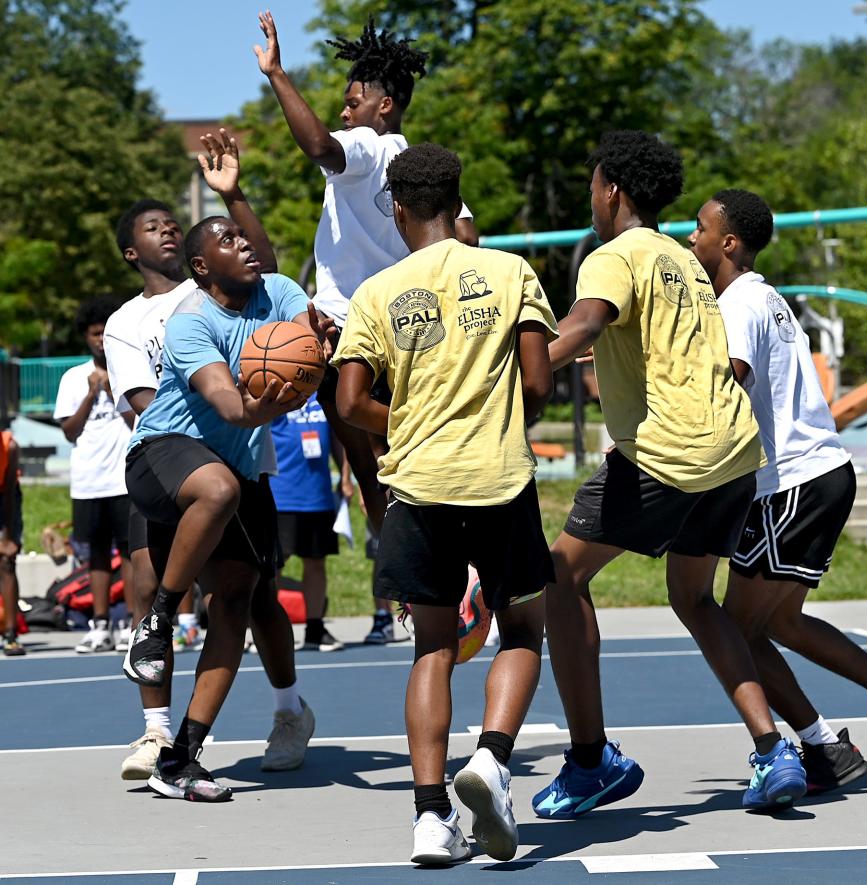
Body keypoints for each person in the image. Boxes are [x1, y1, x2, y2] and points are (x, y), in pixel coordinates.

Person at [535, 130, 806, 816]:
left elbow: (587, 324)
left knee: (558, 577)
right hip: (733, 455)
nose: (590, 197)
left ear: (613, 191)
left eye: (594, 185)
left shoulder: (613, 255)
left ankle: (591, 760)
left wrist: (510, 372)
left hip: (671, 455)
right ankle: (773, 749)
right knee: (694, 597)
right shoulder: (684, 264)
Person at [334, 143, 557, 864]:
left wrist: (409, 421)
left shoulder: (376, 292)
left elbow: (349, 401)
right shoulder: (509, 271)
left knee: (434, 647)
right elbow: (539, 383)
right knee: (522, 630)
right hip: (498, 479)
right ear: (457, 202)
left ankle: (431, 818)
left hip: (417, 488)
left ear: (396, 209)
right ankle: (492, 757)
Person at [689, 188, 867, 789]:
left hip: (792, 482)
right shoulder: (767, 299)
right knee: (781, 623)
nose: (691, 239)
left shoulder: (737, 307)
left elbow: (727, 386)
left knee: (735, 631)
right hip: (819, 476)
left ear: (728, 242)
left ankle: (823, 747)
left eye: (700, 228)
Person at [256, 12, 479, 643]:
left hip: (352, 327)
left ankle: (419, 576)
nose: (344, 112)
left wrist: (277, 75)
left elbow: (319, 147)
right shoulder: (420, 163)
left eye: (352, 102)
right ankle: (445, 570)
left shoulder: (366, 148)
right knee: (394, 459)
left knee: (367, 457)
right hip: (411, 327)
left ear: (384, 104)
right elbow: (466, 234)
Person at [105, 129, 315, 781]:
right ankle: (160, 622)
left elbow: (272, 258)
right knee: (217, 491)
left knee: (238, 601)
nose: (243, 243)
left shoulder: (274, 299)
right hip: (162, 458)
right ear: (201, 266)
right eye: (226, 239)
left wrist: (234, 193)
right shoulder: (192, 321)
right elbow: (230, 408)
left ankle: (181, 757)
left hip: (237, 469)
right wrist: (284, 398)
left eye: (243, 237)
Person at [54, 298, 134, 654]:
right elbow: (70, 431)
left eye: (105, 333)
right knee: (97, 554)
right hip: (90, 481)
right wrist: (91, 393)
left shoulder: (131, 372)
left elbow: (139, 422)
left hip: (127, 478)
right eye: (94, 334)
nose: (100, 339)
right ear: (85, 337)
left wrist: (113, 390)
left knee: (131, 552)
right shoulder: (73, 378)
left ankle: (134, 624)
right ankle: (100, 624)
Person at [269, 393, 343, 651]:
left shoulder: (324, 393)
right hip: (280, 493)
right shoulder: (277, 390)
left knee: (315, 563)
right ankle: (270, 629)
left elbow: (336, 438)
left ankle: (315, 629)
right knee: (275, 567)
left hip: (318, 495)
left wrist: (345, 476)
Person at [0, 427, 25, 656]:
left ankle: (10, 634)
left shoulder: (9, 446)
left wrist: (7, 537)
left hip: (4, 498)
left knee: (7, 561)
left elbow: (7, 493)